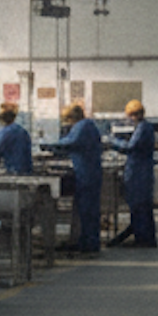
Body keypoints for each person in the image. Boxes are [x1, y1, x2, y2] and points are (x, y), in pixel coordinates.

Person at [47, 104, 103, 253]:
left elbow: (70, 142)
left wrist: (49, 145)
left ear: (72, 117)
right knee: (86, 211)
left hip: (86, 174)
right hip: (88, 172)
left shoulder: (82, 126)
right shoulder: (87, 125)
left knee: (87, 211)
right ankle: (85, 241)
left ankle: (89, 244)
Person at [106, 99, 157, 248]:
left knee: (138, 206)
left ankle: (142, 239)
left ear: (134, 114)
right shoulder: (145, 127)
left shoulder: (142, 128)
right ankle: (147, 238)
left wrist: (113, 142)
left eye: (130, 116)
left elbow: (130, 147)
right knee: (144, 207)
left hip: (138, 174)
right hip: (142, 172)